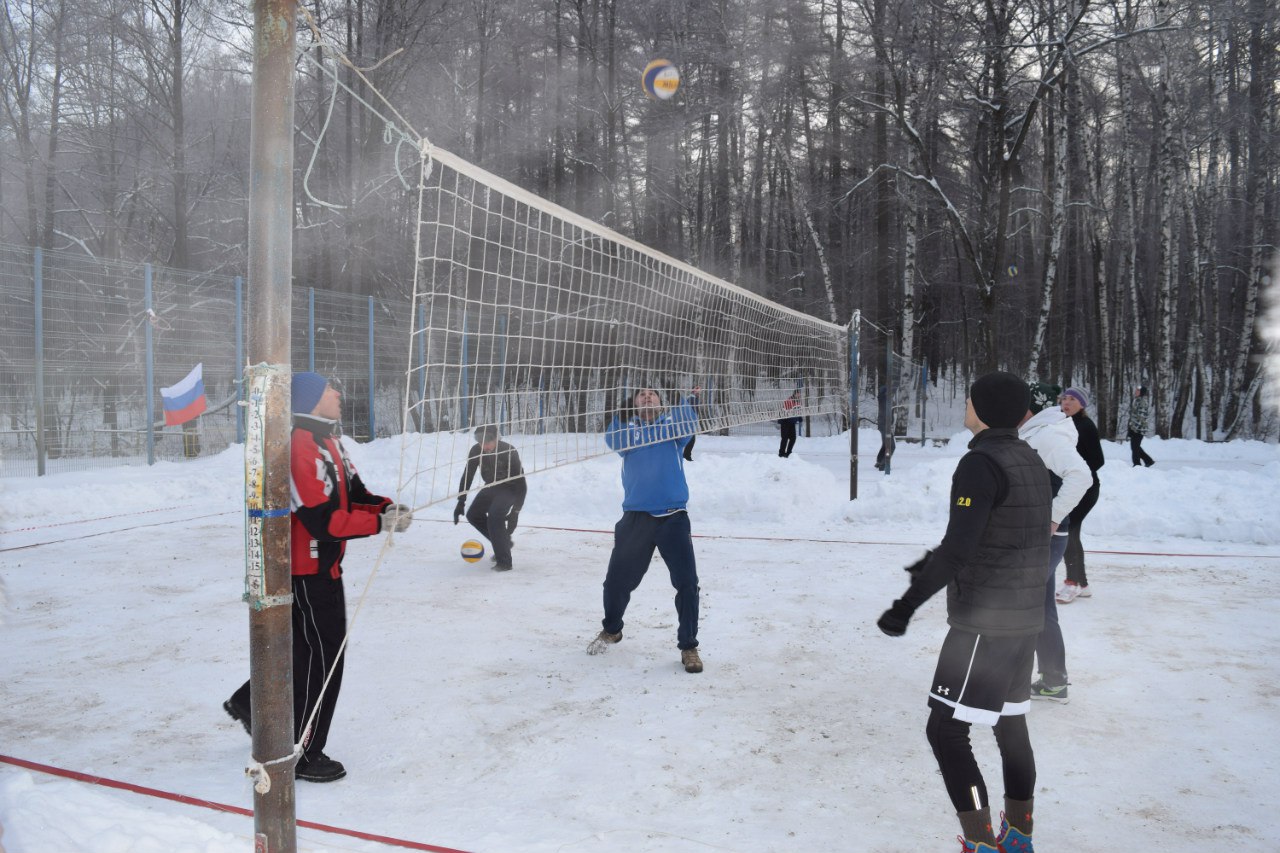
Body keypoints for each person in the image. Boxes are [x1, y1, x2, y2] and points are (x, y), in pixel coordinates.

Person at [877, 371, 1052, 853]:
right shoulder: (1029, 457)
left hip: (986, 624)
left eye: (970, 398)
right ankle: (1019, 835)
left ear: (983, 409)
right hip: (1023, 619)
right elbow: (999, 531)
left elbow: (959, 549)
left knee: (946, 731)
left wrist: (905, 606)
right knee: (1010, 724)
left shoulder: (980, 464)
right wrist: (934, 562)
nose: (965, 404)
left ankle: (979, 843)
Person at [224, 372, 412, 783]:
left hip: (323, 567)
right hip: (308, 572)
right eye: (331, 389)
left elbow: (355, 493)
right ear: (310, 400)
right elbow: (322, 519)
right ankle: (304, 752)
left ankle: (248, 703)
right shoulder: (299, 445)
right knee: (324, 661)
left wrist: (386, 508)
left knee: (303, 654)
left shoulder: (329, 440)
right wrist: (378, 524)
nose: (339, 393)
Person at [588, 385, 703, 673]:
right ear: (635, 404)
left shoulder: (673, 430)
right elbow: (612, 438)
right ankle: (612, 629)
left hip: (673, 516)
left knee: (687, 584)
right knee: (615, 583)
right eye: (641, 394)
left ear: (662, 404)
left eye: (653, 393)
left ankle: (689, 646)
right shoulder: (628, 433)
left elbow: (688, 423)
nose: (647, 396)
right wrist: (623, 413)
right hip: (635, 518)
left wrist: (689, 400)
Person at [1020, 381, 1092, 704]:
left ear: (1032, 406)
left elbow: (1081, 475)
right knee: (1041, 606)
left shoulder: (1048, 434)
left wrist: (1053, 515)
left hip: (1047, 537)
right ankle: (1053, 680)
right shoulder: (1040, 430)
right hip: (1045, 536)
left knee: (1020, 602)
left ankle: (1011, 679)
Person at [453, 425, 527, 572]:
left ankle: (504, 562)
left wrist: (515, 512)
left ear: (496, 439)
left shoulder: (509, 451)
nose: (484, 446)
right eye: (481, 443)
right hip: (491, 486)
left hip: (510, 488)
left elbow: (521, 484)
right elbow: (468, 475)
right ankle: (503, 542)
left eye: (488, 442)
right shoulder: (476, 450)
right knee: (473, 515)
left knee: (494, 515)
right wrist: (461, 501)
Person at [1057, 387, 1103, 603]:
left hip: (1085, 489)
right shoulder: (1062, 423)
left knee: (1068, 532)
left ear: (1082, 404)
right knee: (1070, 533)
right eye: (1064, 398)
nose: (1066, 402)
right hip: (1071, 487)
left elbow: (1098, 461)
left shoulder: (1085, 426)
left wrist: (1077, 472)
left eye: (1072, 399)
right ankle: (1082, 584)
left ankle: (1072, 583)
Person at [1128, 386, 1155, 467]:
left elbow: (1141, 418)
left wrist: (1134, 429)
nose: (1135, 391)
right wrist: (1130, 427)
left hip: (1139, 429)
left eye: (1138, 390)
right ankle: (1148, 460)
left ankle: (1137, 464)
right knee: (1135, 447)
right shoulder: (1137, 400)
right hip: (1135, 428)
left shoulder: (1142, 402)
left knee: (1135, 447)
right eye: (1136, 390)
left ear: (1141, 392)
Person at [875, 384, 896, 471]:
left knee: (886, 444)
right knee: (891, 445)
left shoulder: (883, 399)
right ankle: (884, 464)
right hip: (884, 424)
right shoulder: (884, 399)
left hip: (883, 424)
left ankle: (879, 461)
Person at [778, 389, 803, 457]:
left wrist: (799, 417)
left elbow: (797, 411)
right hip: (785, 421)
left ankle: (789, 452)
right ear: (794, 394)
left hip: (792, 422)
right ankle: (781, 453)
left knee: (793, 438)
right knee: (785, 438)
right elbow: (786, 411)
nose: (798, 395)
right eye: (797, 394)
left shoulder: (798, 402)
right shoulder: (789, 401)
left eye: (799, 394)